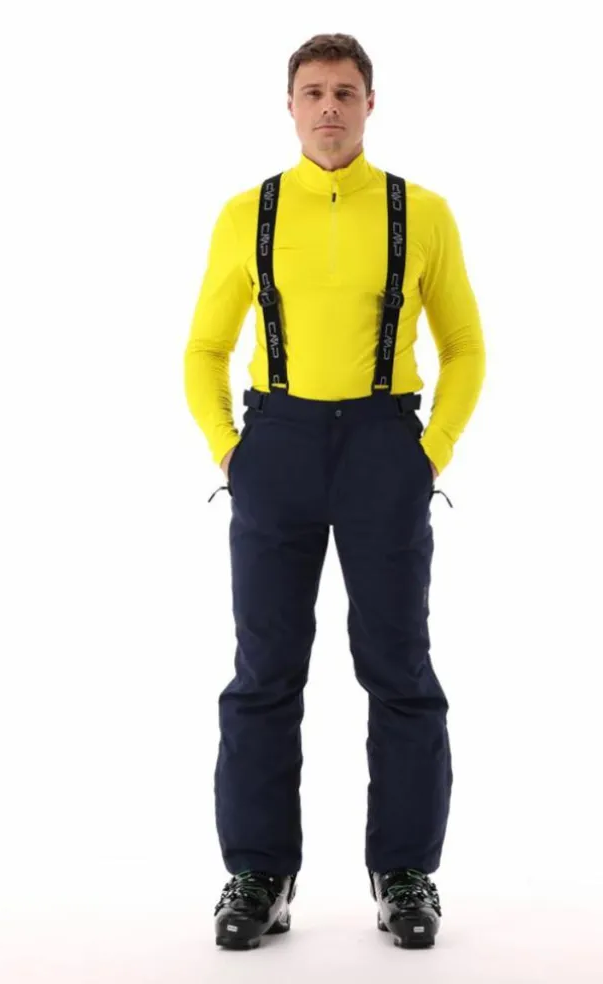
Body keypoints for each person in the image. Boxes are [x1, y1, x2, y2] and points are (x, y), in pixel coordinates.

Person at [184, 32, 485, 950]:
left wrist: (428, 457)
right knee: (264, 672)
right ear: (289, 106)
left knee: (399, 669)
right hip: (274, 446)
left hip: (384, 448)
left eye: (345, 92)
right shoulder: (248, 214)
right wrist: (230, 453)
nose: (328, 107)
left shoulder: (421, 213)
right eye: (312, 91)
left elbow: (465, 347)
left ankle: (406, 875)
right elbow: (205, 348)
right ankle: (259, 876)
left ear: (369, 104)